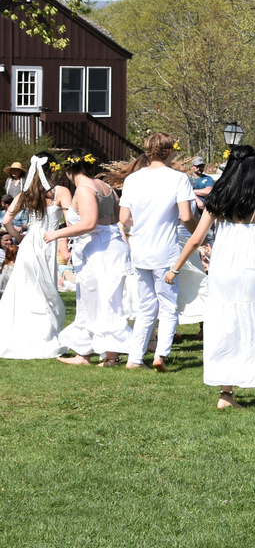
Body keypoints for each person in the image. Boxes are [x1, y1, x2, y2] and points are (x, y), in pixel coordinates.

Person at [163, 145, 255, 408]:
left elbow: (196, 238)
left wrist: (175, 268)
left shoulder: (217, 201)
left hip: (225, 271)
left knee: (225, 326)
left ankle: (226, 394)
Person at [119, 132, 197, 371]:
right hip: (165, 250)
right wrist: (199, 235)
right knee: (167, 304)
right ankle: (160, 354)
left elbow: (124, 218)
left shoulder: (132, 179)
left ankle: (134, 357)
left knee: (146, 305)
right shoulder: (178, 178)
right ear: (171, 151)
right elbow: (185, 216)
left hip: (140, 249)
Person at [52, 152, 134, 365]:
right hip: (109, 247)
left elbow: (89, 223)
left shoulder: (84, 189)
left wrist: (56, 234)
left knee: (98, 302)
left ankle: (98, 355)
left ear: (69, 171)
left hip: (99, 251)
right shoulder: (106, 187)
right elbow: (118, 220)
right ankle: (97, 354)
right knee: (103, 301)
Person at [0, 156, 66, 359]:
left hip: (30, 243)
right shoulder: (60, 191)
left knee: (26, 288)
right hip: (49, 241)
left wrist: (20, 237)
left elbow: (7, 221)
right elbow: (72, 219)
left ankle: (23, 332)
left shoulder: (25, 193)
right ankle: (43, 335)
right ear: (52, 171)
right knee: (45, 289)